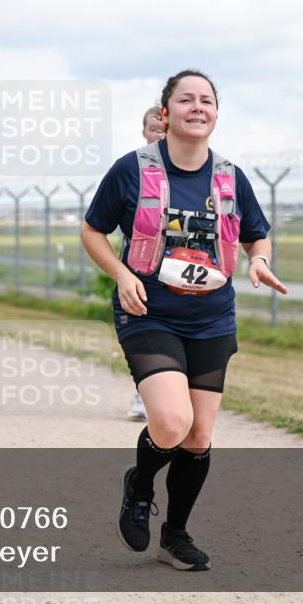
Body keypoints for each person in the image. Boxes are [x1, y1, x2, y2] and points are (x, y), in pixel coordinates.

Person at [81, 69, 287, 571]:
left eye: (208, 101)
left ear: (216, 114)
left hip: (211, 318)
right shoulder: (132, 169)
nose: (198, 107)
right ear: (166, 111)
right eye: (187, 99)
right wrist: (120, 273)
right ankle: (140, 484)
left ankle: (175, 535)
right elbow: (92, 231)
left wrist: (259, 260)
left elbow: (256, 234)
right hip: (148, 312)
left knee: (199, 436)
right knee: (173, 422)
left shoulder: (231, 176)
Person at [126, 105, 169, 422]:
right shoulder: (135, 168)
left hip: (176, 262)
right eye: (153, 129)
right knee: (147, 331)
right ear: (144, 132)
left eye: (163, 128)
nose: (159, 134)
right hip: (142, 263)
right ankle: (142, 396)